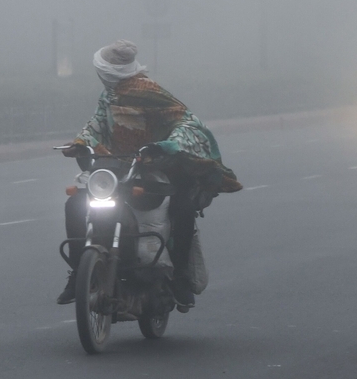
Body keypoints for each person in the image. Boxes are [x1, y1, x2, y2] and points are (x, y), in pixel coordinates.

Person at [58, 41, 241, 306]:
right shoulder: (108, 95)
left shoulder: (149, 91)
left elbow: (185, 121)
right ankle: (78, 273)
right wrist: (81, 142)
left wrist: (165, 146)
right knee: (75, 204)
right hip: (114, 168)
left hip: (156, 168)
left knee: (182, 208)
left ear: (109, 71)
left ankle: (178, 277)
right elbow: (96, 123)